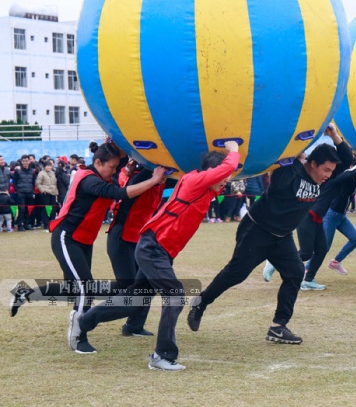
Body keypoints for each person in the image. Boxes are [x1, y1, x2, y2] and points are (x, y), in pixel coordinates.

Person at [72, 142, 238, 371]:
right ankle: (163, 355)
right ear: (211, 173)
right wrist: (233, 149)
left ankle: (85, 320)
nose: (226, 181)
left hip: (158, 250)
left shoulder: (207, 188)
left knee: (135, 302)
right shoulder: (194, 180)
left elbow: (225, 174)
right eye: (223, 176)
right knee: (176, 295)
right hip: (153, 248)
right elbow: (225, 169)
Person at [187, 126, 344, 345]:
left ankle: (278, 327)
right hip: (257, 229)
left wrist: (334, 136)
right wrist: (296, 156)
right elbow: (280, 178)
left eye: (331, 172)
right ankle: (201, 302)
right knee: (236, 273)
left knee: (295, 273)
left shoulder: (320, 177)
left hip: (281, 236)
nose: (328, 176)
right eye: (325, 170)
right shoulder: (291, 172)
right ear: (312, 163)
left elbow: (345, 159)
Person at [9, 141, 165, 352]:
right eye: (111, 167)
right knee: (85, 287)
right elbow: (120, 194)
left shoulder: (104, 172)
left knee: (73, 290)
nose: (114, 171)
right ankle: (78, 337)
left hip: (84, 241)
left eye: (116, 167)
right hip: (66, 237)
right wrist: (154, 179)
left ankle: (25, 294)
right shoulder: (88, 180)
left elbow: (120, 161)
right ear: (98, 162)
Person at [294, 147, 356, 290]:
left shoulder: (352, 177)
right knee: (307, 252)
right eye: (327, 170)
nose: (328, 173)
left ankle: (309, 279)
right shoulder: (338, 178)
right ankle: (277, 261)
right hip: (319, 216)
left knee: (325, 248)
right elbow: (353, 171)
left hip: (329, 216)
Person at [105, 159, 166, 337]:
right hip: (122, 239)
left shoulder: (161, 181)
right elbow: (126, 193)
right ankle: (88, 299)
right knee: (128, 286)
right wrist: (153, 179)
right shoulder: (141, 179)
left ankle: (134, 326)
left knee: (147, 284)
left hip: (141, 241)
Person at [12, 155, 36, 231]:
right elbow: (14, 182)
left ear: (29, 161)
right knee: (21, 209)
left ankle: (26, 224)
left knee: (27, 210)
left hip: (29, 192)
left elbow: (33, 182)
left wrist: (32, 191)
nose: (25, 162)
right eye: (23, 161)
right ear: (21, 162)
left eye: (26, 161)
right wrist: (17, 191)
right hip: (21, 193)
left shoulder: (32, 171)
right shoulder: (18, 171)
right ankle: (20, 225)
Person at [36, 160, 59, 230]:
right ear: (44, 166)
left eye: (50, 165)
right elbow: (38, 183)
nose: (49, 167)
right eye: (47, 165)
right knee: (45, 209)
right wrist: (43, 190)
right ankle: (46, 223)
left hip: (53, 193)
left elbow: (55, 184)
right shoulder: (41, 173)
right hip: (45, 193)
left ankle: (52, 222)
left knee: (53, 208)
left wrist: (56, 193)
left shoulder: (53, 173)